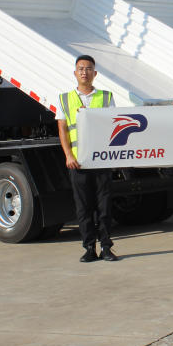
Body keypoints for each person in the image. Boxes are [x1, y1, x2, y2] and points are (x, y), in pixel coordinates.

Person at [56, 55, 117, 262]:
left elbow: (112, 126)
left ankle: (106, 247)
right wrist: (68, 155)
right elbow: (62, 130)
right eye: (81, 69)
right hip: (78, 162)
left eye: (89, 68)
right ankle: (89, 248)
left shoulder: (106, 97)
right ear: (75, 73)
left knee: (104, 206)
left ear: (95, 73)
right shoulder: (64, 99)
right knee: (84, 208)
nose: (85, 72)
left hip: (101, 161)